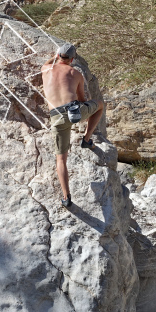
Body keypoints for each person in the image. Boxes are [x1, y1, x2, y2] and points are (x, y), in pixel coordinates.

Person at [41, 43, 104, 208]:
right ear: (73, 59)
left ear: (57, 56)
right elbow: (82, 99)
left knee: (61, 159)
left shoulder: (45, 69)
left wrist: (55, 57)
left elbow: (50, 62)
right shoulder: (75, 73)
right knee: (99, 104)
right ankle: (86, 139)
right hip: (75, 112)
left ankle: (66, 197)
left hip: (56, 118)